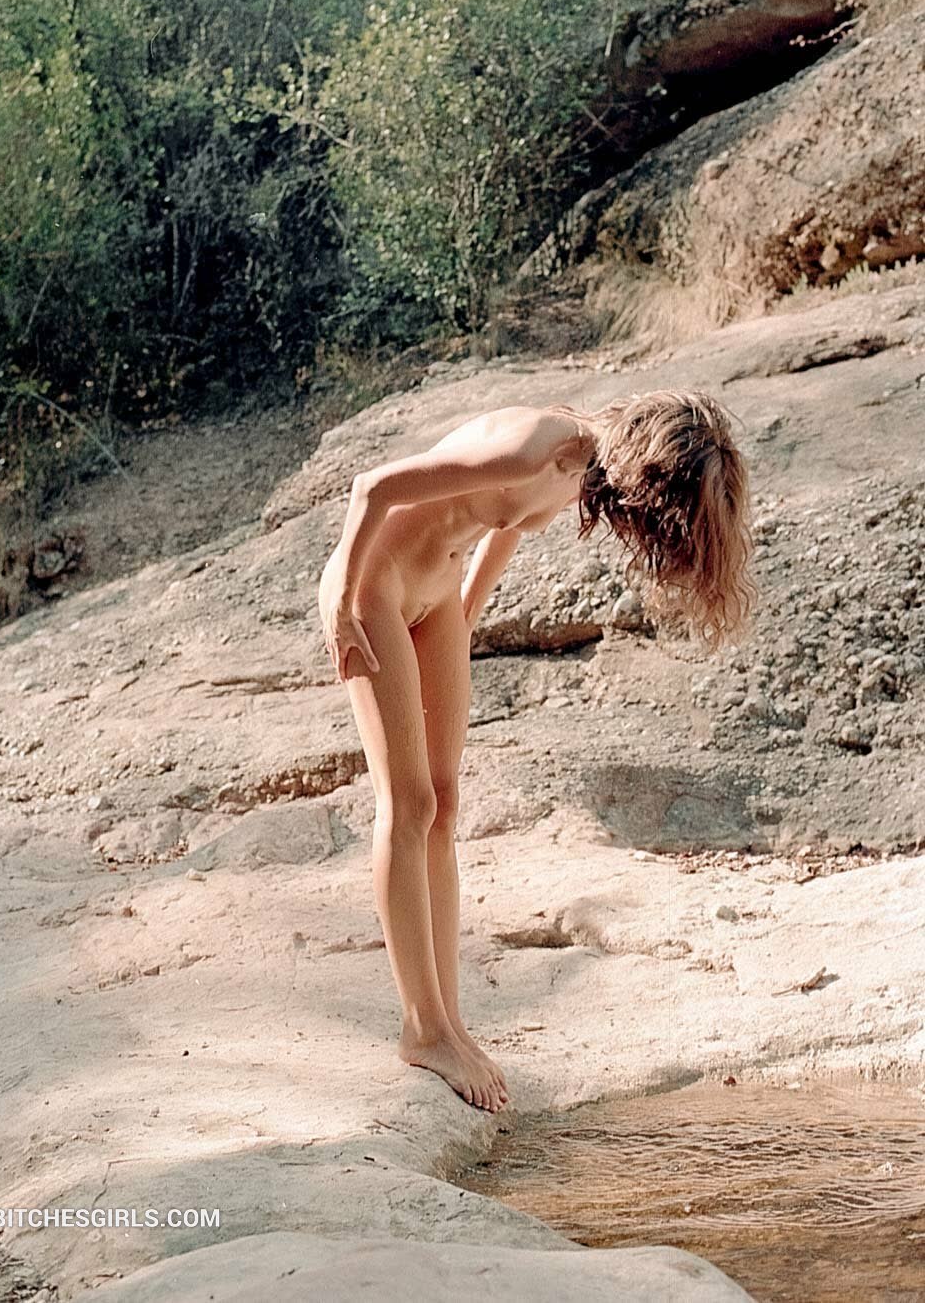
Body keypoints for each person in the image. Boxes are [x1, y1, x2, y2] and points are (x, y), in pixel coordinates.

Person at [317, 392, 755, 1112]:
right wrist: (340, 604)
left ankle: (449, 1021)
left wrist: (465, 613)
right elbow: (375, 488)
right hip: (374, 588)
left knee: (445, 802)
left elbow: (504, 527)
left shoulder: (578, 469)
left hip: (436, 593)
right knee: (409, 802)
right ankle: (422, 1028)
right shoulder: (535, 446)